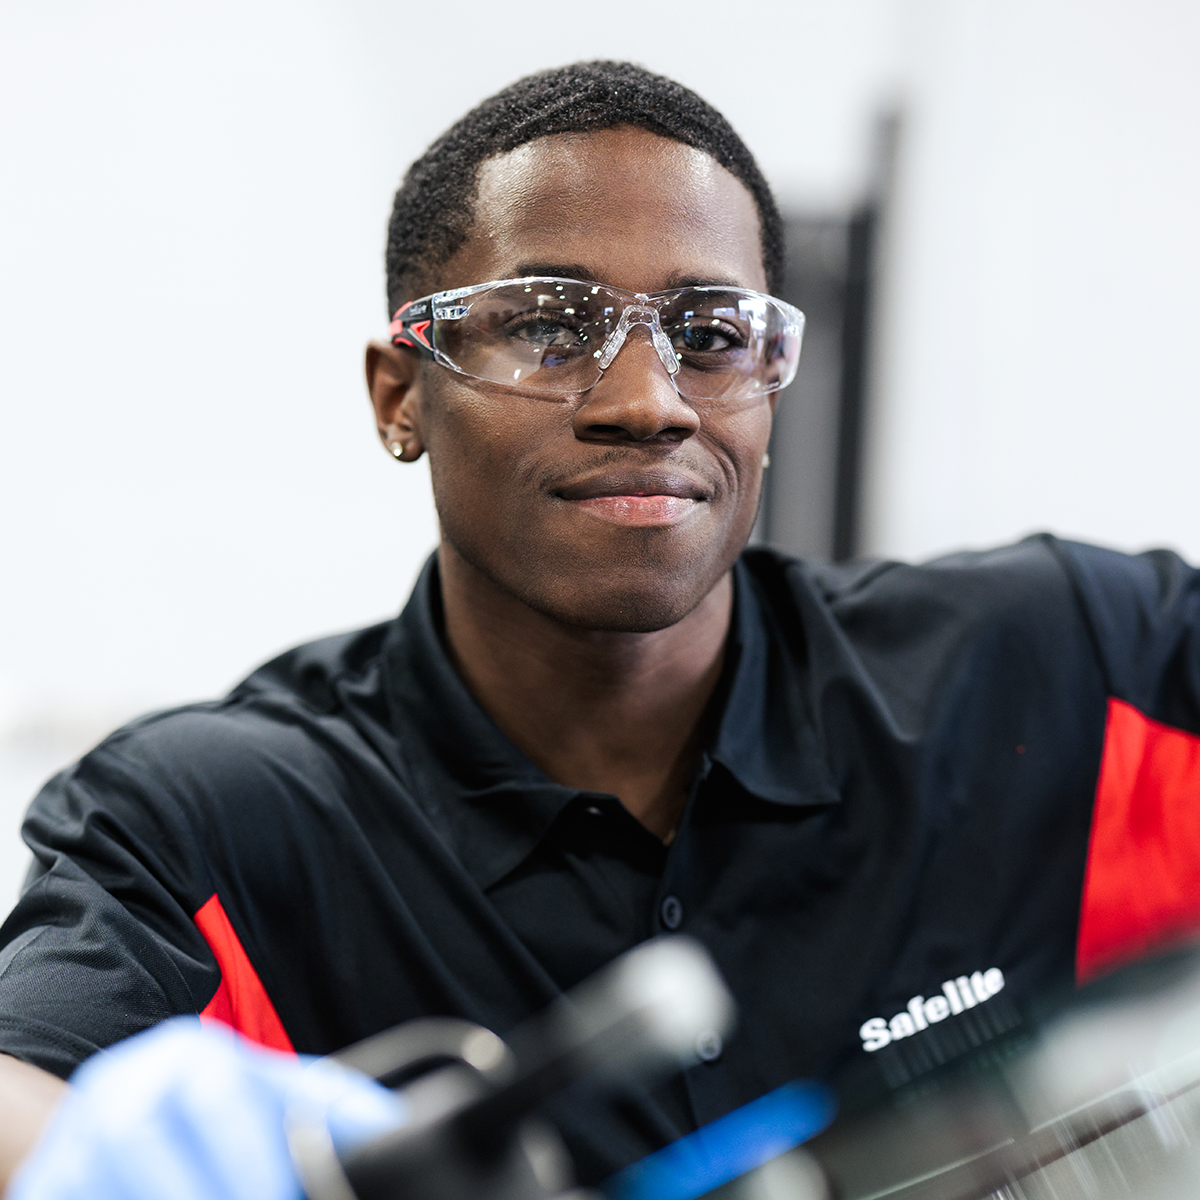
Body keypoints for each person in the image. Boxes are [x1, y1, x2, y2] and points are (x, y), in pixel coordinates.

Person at [4, 58, 1200, 1199]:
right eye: (549, 326)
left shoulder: (1063, 667)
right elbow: (19, 1099)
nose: (647, 401)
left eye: (712, 334)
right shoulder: (208, 827)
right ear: (400, 394)